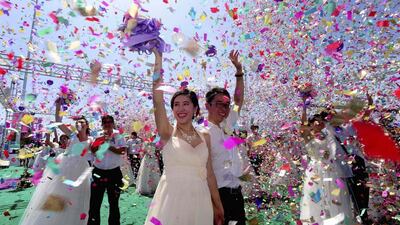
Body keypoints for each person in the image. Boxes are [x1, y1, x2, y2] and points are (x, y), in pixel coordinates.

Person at [144, 48, 224, 225]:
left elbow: (209, 173)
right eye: (176, 105)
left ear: (195, 109)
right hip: (172, 201)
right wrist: (159, 57)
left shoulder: (205, 136)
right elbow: (157, 99)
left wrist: (217, 206)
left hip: (201, 201)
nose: (181, 109)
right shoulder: (167, 132)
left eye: (186, 104)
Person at [19, 98, 92, 225]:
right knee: (57, 195)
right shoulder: (72, 135)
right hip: (65, 167)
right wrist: (58, 106)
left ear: (86, 125)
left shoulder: (91, 140)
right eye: (78, 123)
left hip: (80, 170)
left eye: (82, 123)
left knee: (76, 200)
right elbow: (58, 122)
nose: (79, 124)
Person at [204, 50, 246, 225]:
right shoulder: (202, 132)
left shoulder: (227, 124)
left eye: (226, 105)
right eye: (218, 104)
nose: (224, 108)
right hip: (217, 196)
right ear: (207, 106)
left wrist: (239, 71)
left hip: (236, 191)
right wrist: (216, 204)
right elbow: (206, 172)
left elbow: (238, 101)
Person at [299, 99, 354, 225]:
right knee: (316, 199)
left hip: (331, 171)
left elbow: (338, 119)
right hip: (315, 173)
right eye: (315, 121)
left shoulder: (330, 133)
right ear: (311, 124)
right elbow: (302, 125)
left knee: (334, 198)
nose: (319, 123)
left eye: (321, 121)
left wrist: (330, 109)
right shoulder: (308, 137)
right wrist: (304, 107)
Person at [87, 115, 127, 225]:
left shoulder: (118, 136)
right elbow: (93, 151)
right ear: (102, 124)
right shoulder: (97, 135)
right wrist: (100, 142)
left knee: (114, 203)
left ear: (113, 123)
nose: (107, 124)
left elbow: (122, 151)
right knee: (95, 202)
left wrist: (108, 145)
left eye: (109, 121)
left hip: (114, 172)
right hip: (98, 172)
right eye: (105, 122)